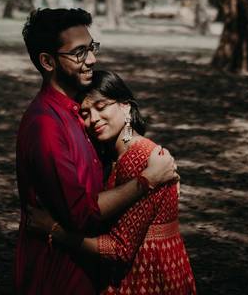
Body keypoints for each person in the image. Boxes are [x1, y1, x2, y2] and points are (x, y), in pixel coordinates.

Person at [16, 8, 179, 295]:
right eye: (79, 52)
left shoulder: (76, 113)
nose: (92, 59)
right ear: (47, 61)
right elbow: (82, 215)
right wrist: (146, 180)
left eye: (91, 48)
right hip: (58, 277)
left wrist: (137, 141)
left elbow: (123, 130)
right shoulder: (47, 126)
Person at [26, 70, 196, 294]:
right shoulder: (118, 154)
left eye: (101, 106)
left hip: (147, 277)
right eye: (85, 113)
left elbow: (119, 249)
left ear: (125, 106)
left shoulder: (139, 157)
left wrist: (54, 230)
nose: (93, 119)